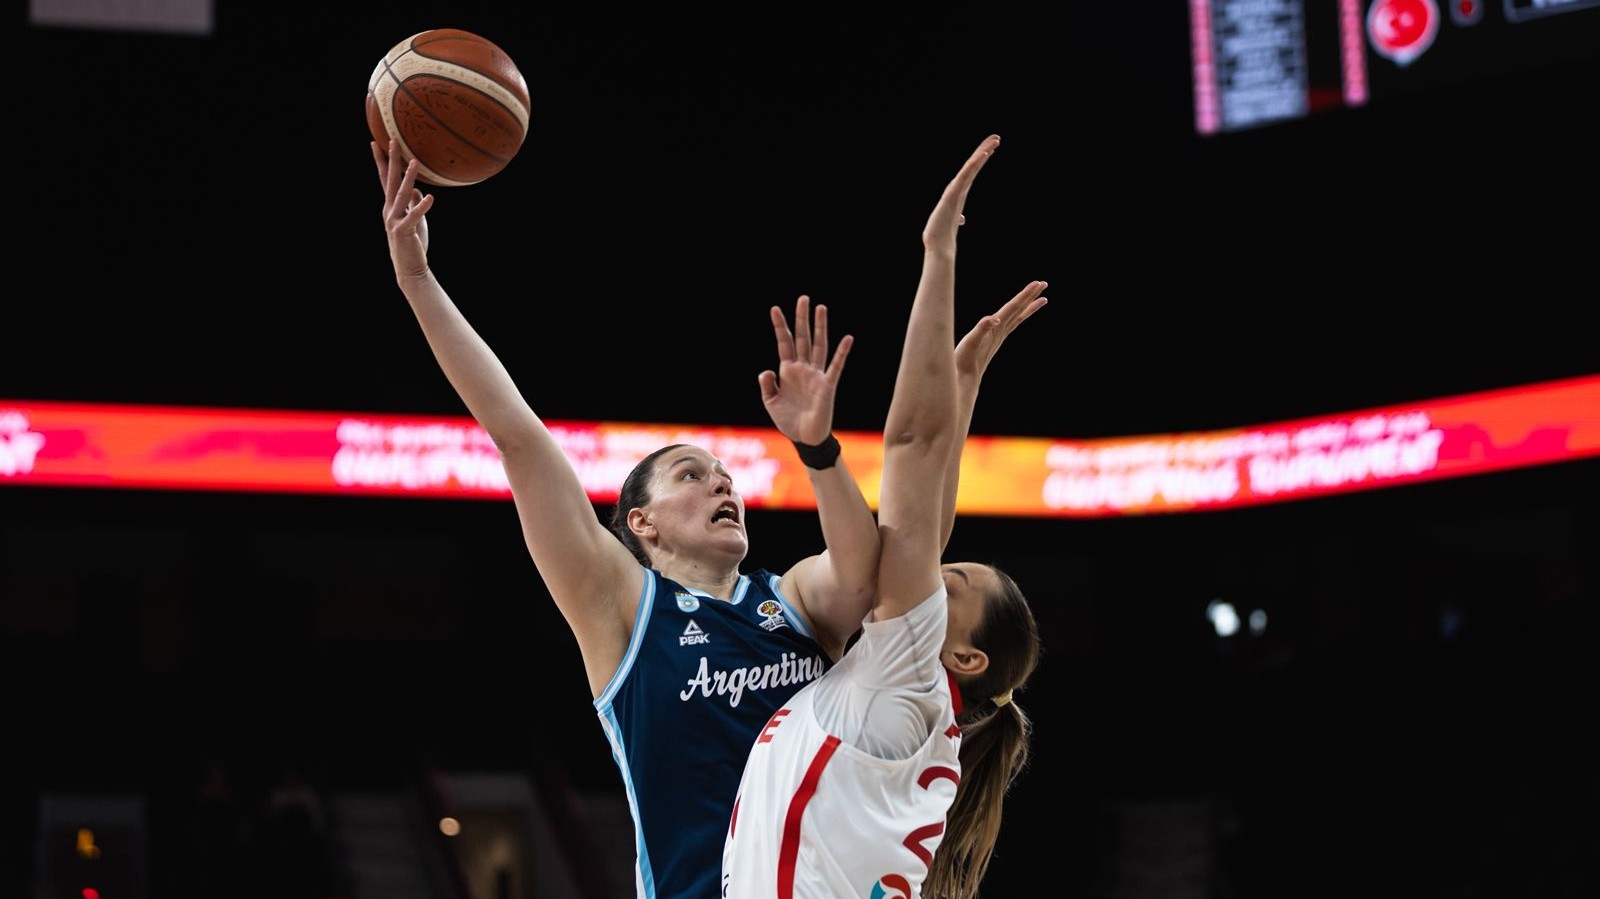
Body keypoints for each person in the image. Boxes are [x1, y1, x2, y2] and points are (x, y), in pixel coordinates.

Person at [721, 135, 1045, 899]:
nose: (937, 567)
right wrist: (960, 385)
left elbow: (911, 447)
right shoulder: (909, 696)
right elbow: (924, 499)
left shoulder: (905, 682)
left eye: (952, 580)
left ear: (963, 653)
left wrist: (938, 256)